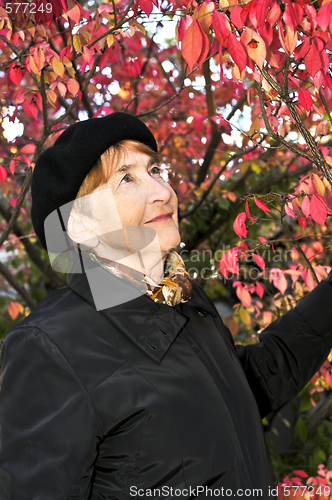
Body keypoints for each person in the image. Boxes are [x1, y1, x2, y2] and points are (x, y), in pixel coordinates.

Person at [0, 112, 332, 500]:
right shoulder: (51, 346)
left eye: (155, 170)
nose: (162, 191)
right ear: (81, 226)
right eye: (126, 179)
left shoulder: (182, 300)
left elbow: (248, 385)